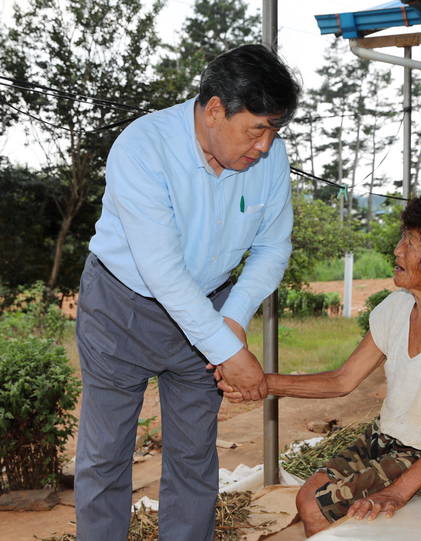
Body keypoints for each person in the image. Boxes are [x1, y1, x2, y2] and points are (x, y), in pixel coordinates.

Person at [75, 44, 300, 541]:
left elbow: (272, 247)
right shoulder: (144, 146)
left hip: (211, 306)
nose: (265, 146)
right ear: (215, 109)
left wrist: (232, 320)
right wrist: (228, 352)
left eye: (274, 130)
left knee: (195, 456)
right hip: (121, 309)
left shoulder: (270, 159)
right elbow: (162, 269)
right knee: (106, 455)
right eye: (256, 130)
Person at [218, 192, 421, 538]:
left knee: (318, 506)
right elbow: (342, 380)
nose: (397, 250)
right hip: (394, 436)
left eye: (410, 243)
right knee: (307, 495)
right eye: (402, 239)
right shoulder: (396, 308)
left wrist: (397, 492)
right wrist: (261, 384)